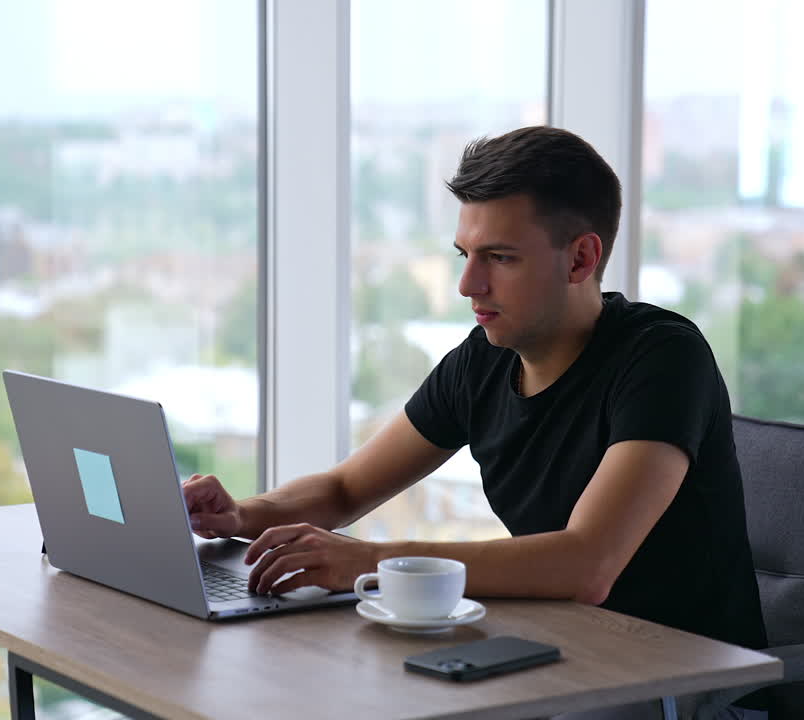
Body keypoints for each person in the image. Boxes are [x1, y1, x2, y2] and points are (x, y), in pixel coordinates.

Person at [183, 126, 767, 719]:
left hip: (684, 690)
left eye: (501, 258)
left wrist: (369, 564)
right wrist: (242, 515)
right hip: (558, 661)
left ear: (581, 258)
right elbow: (344, 490)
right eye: (466, 256)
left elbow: (587, 564)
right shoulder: (485, 359)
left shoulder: (663, 358)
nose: (469, 285)